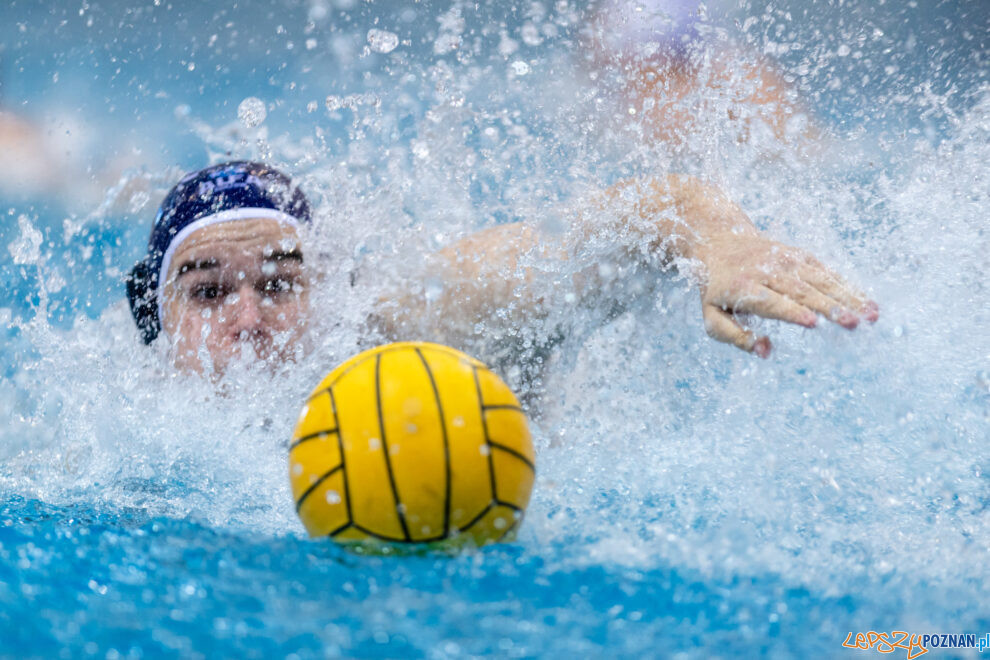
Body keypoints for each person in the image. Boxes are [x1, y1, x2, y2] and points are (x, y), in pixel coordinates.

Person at [126, 161, 877, 378]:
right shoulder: (112, 441)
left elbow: (622, 226)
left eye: (282, 284)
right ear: (156, 318)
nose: (250, 322)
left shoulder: (411, 327)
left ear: (330, 294)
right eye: (209, 292)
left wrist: (722, 242)